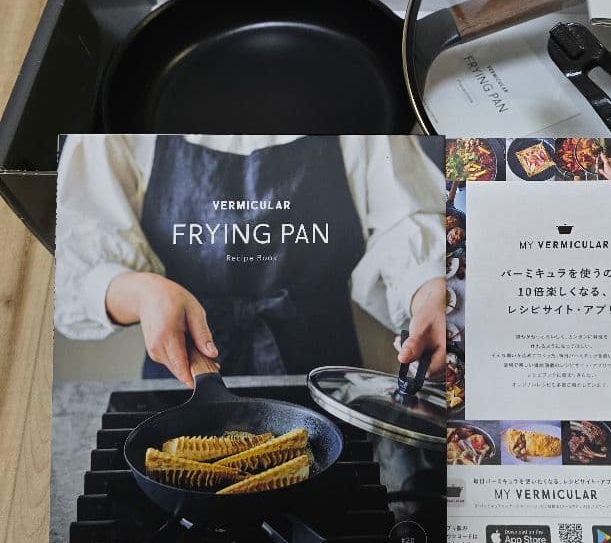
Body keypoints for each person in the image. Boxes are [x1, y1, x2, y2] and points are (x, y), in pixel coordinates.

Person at [55, 135, 446, 384]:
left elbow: (405, 223)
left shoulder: (355, 99)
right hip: (184, 374)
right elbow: (78, 272)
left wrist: (429, 291)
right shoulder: (124, 116)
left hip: (325, 375)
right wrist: (144, 292)